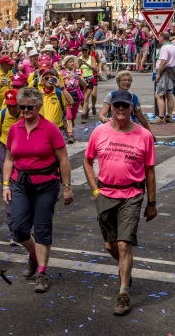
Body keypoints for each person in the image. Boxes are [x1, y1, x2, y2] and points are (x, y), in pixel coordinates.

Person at [83, 90, 157, 316]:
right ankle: (126, 269)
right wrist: (95, 190)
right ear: (111, 107)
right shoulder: (99, 132)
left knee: (125, 245)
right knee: (110, 245)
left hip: (132, 194)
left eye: (126, 106)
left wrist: (151, 202)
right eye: (117, 106)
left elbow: (150, 171)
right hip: (105, 194)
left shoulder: (144, 135)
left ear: (132, 108)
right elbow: (87, 161)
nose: (121, 109)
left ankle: (123, 293)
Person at [2, 87, 73, 294]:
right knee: (19, 228)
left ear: (39, 106)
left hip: (46, 184)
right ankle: (33, 255)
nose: (24, 110)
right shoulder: (15, 129)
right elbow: (8, 159)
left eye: (29, 107)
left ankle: (41, 273)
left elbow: (63, 160)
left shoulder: (50, 128)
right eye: (21, 106)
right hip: (20, 183)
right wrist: (6, 184)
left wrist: (67, 188)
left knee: (42, 228)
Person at [0, 89, 21, 241]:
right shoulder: (1, 116)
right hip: (5, 153)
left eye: (14, 105)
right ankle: (13, 228)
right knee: (7, 188)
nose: (11, 109)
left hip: (23, 154)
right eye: (8, 106)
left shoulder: (27, 114)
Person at [153, 31, 175, 124]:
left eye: (159, 37)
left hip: (164, 71)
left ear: (162, 37)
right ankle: (169, 116)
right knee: (169, 94)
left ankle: (161, 117)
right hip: (171, 70)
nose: (158, 39)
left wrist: (158, 74)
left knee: (159, 95)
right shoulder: (173, 46)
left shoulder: (165, 47)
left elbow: (163, 62)